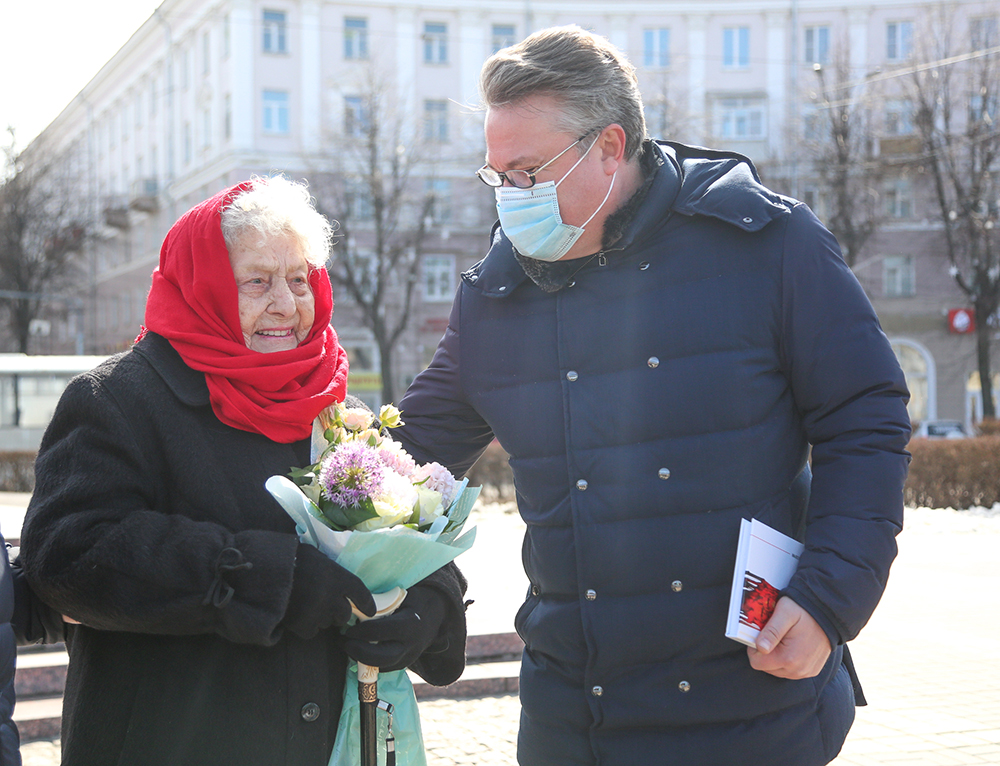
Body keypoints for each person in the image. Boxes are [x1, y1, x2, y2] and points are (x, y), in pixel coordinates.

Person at [392, 25, 911, 766]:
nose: (511, 199)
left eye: (529, 172)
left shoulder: (768, 244)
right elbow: (410, 461)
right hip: (573, 721)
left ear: (609, 147)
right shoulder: (496, 296)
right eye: (497, 176)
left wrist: (829, 598)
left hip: (752, 705)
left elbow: (866, 418)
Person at [19, 176, 467, 765]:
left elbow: (409, 539)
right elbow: (67, 554)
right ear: (201, 286)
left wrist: (429, 606)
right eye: (257, 281)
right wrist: (266, 579)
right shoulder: (120, 400)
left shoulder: (342, 415)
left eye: (300, 279)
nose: (287, 303)